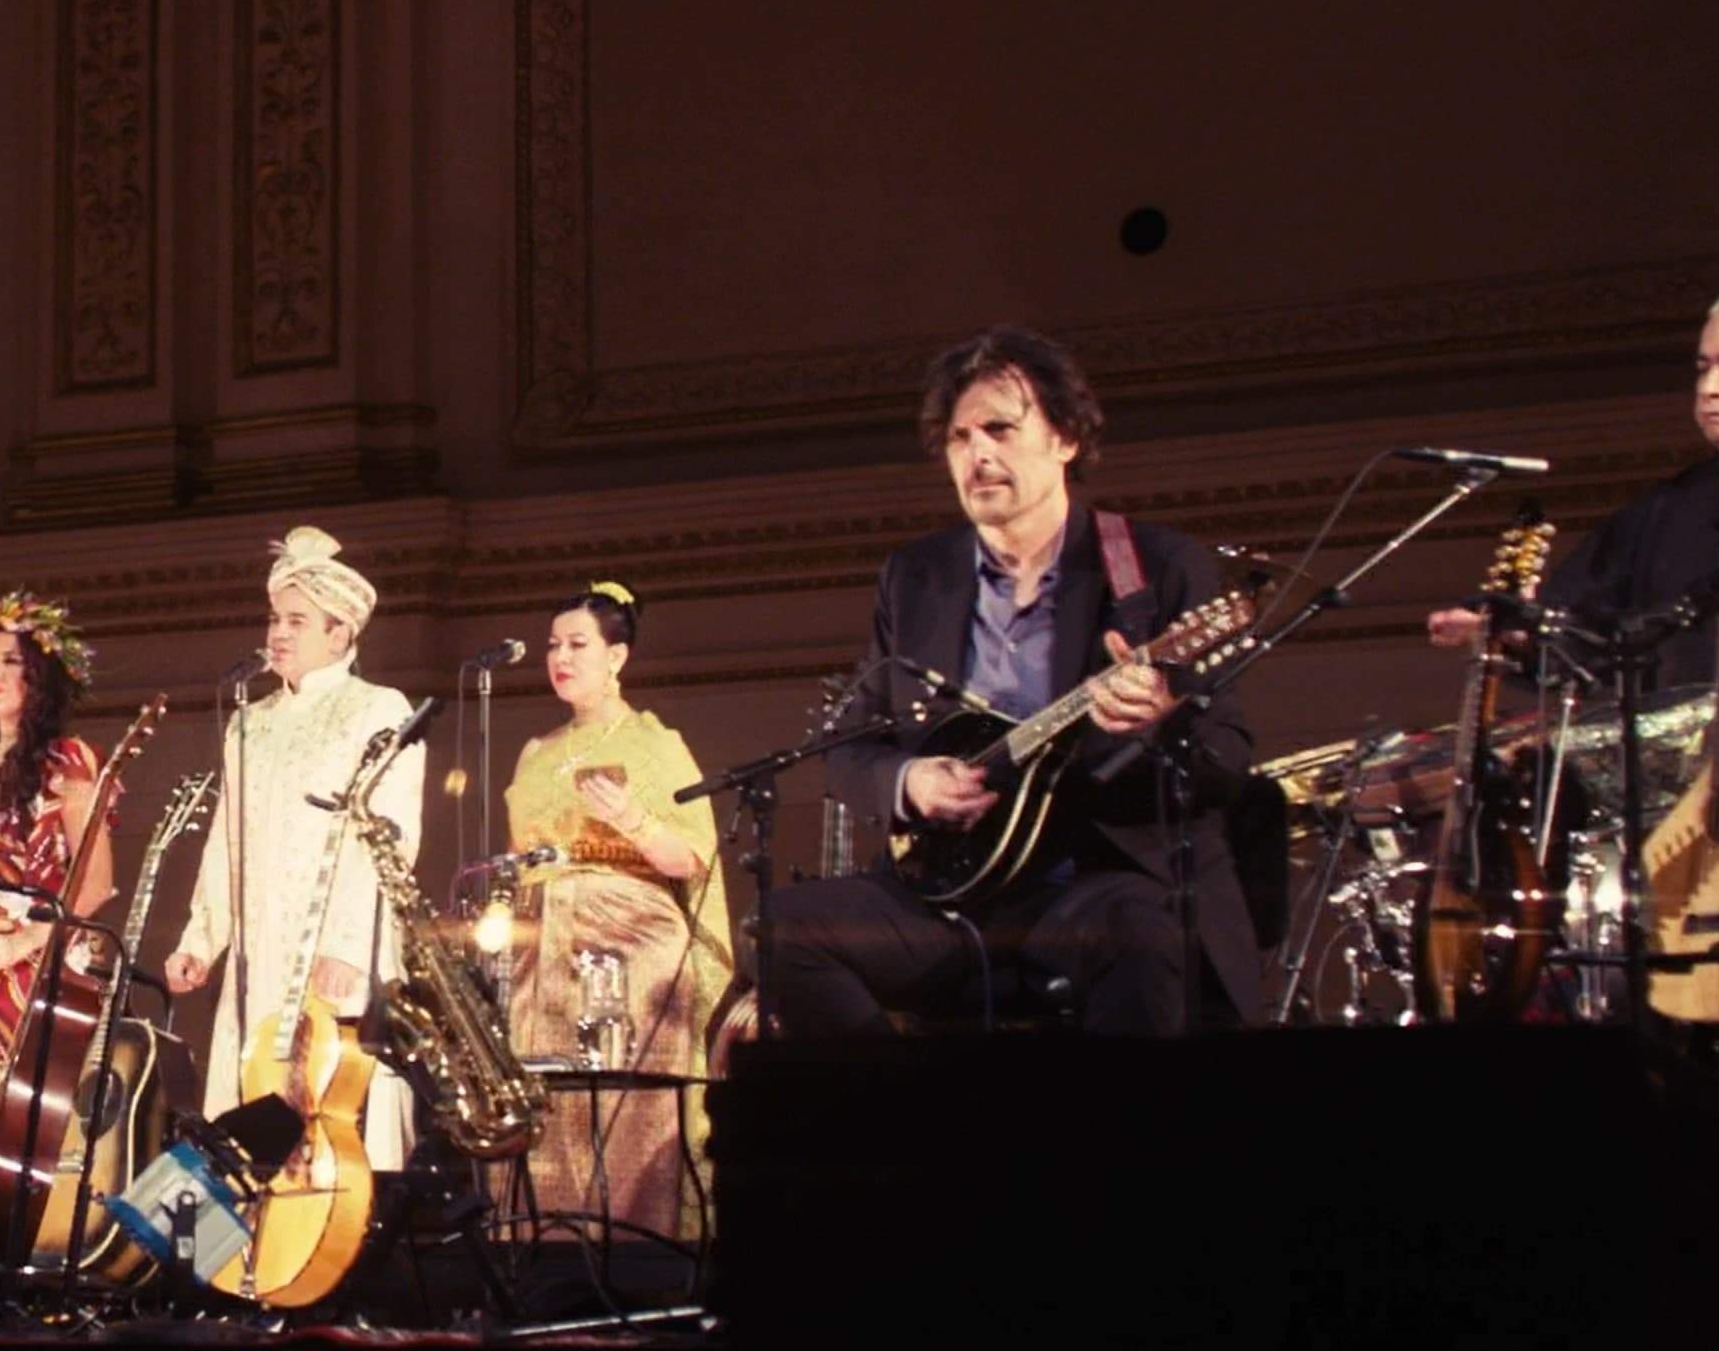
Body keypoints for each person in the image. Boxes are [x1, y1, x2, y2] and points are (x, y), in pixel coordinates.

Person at [763, 327, 1263, 1038]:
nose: (979, 454)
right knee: (780, 932)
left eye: (1000, 428)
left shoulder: (1152, 568)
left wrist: (1165, 715)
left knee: (1139, 939)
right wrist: (909, 781)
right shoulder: (916, 576)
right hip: (953, 890)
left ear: (1064, 439)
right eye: (960, 438)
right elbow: (848, 745)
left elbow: (1229, 757)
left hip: (1097, 879)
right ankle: (914, 1124)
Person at [1431, 286, 1719, 712]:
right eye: (1704, 368)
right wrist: (1517, 635)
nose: (1710, 387)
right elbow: (1585, 644)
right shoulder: (1660, 513)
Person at [167, 527, 425, 1169]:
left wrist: (347, 945)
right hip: (262, 951)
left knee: (325, 1106)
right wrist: (202, 939)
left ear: (340, 634)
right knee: (252, 1098)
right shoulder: (248, 722)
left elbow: (389, 835)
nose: (277, 633)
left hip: (331, 948)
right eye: (274, 618)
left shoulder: (379, 708)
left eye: (297, 621)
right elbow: (229, 836)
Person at [498, 581, 730, 1235]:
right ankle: (543, 1253)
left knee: (622, 1109)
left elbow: (690, 858)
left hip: (629, 954)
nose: (560, 657)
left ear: (617, 657)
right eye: (553, 645)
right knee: (544, 1106)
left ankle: (637, 1254)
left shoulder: (654, 743)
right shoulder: (536, 752)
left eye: (578, 644)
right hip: (540, 952)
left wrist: (629, 817)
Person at [0, 591, 118, 1224]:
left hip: (43, 963)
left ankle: (34, 1254)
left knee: (34, 1123)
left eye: (8, 661)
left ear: (39, 673)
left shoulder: (68, 762)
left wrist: (21, 944)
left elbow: (93, 886)